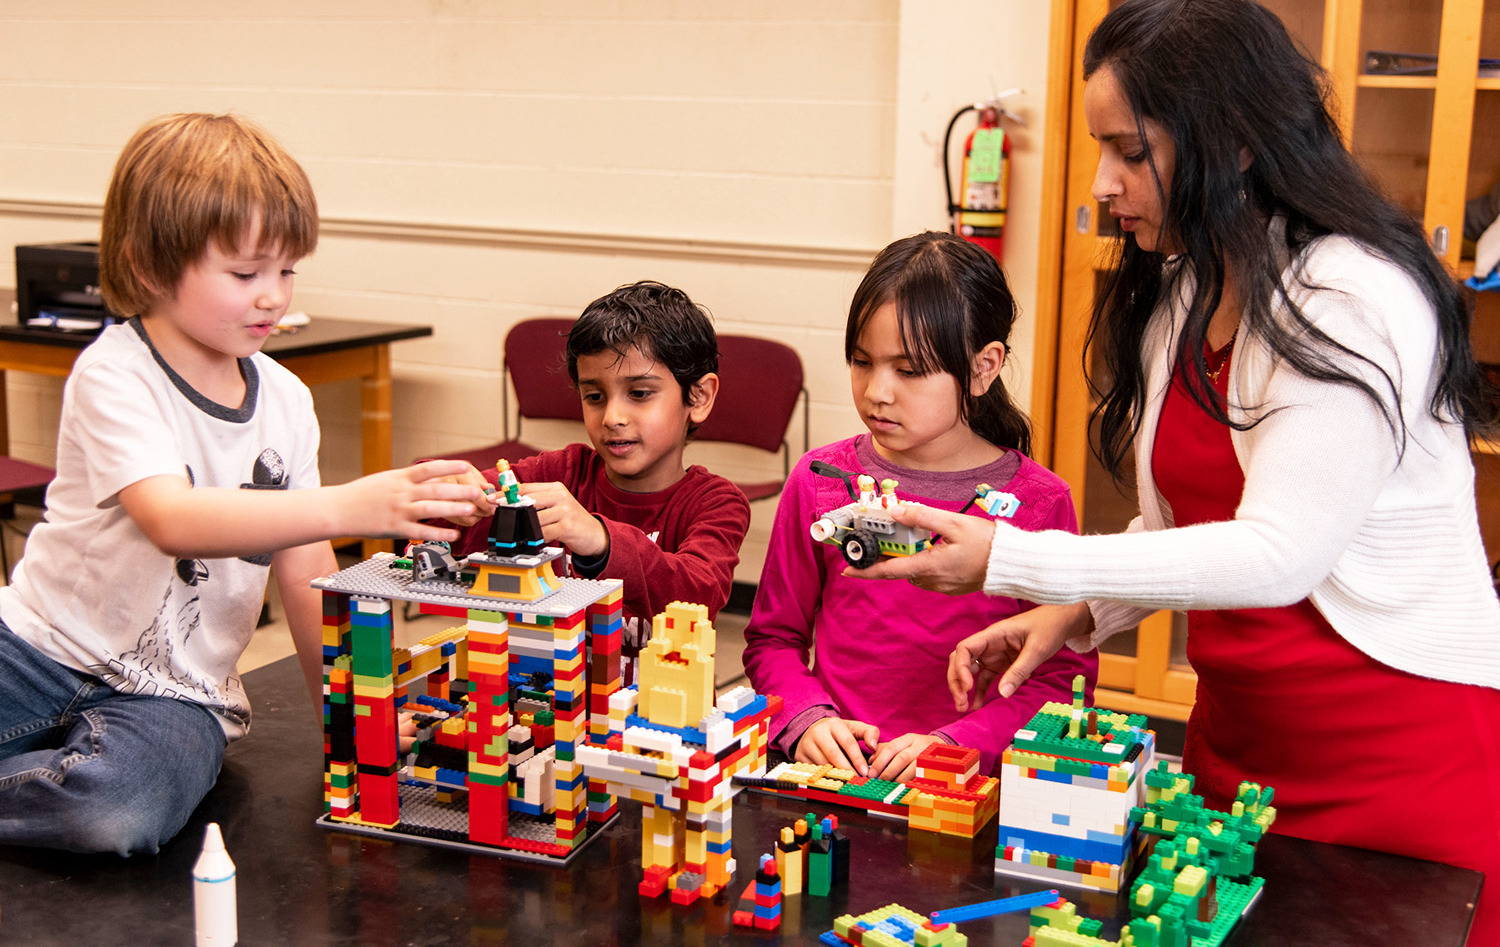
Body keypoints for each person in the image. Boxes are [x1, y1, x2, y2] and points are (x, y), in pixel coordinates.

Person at [856, 0, 1500, 939]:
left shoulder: (1349, 298)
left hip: (1394, 757)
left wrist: (1009, 558)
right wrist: (1078, 613)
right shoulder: (1190, 287)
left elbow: (1277, 555)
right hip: (1241, 743)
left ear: (1232, 142)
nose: (1102, 184)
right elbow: (1179, 527)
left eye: (1130, 151)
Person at [0, 113, 488, 856]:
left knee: (117, 815)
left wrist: (351, 726)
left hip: (174, 697)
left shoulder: (285, 400)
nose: (273, 297)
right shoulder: (115, 373)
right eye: (245, 274)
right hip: (34, 650)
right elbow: (170, 517)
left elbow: (307, 572)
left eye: (287, 271)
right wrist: (352, 504)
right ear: (149, 266)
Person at [742, 232, 1096, 782]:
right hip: (834, 778)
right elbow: (773, 640)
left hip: (967, 788)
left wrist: (957, 745)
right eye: (862, 362)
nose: (877, 392)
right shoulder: (818, 482)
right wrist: (807, 718)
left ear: (983, 367)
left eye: (908, 371)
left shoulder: (1039, 502)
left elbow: (1059, 682)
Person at [439, 281, 750, 685]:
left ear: (699, 397)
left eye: (640, 393)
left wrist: (601, 540)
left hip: (659, 711)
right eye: (595, 397)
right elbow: (447, 516)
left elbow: (697, 595)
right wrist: (448, 492)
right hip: (546, 702)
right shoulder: (561, 472)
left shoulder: (716, 503)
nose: (612, 417)